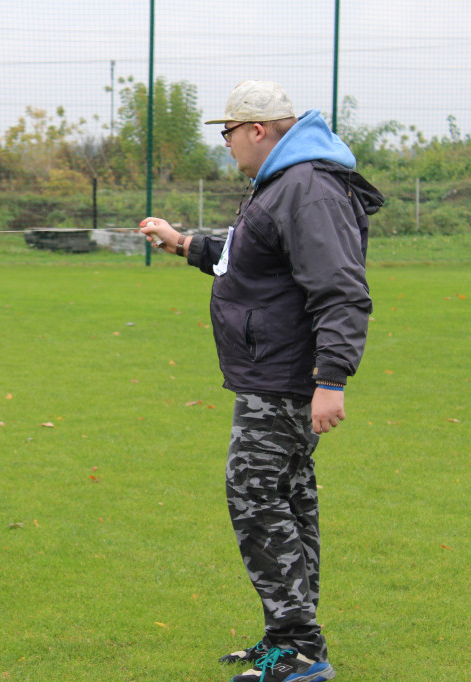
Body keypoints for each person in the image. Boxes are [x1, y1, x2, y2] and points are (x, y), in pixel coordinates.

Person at [140, 81, 383, 682]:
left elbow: (342, 291)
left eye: (227, 133)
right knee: (291, 495)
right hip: (275, 373)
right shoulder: (285, 182)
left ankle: (300, 650)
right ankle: (292, 636)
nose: (225, 145)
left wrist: (332, 379)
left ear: (256, 130)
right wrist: (183, 243)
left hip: (286, 378)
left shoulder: (304, 185)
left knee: (253, 496)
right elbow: (250, 257)